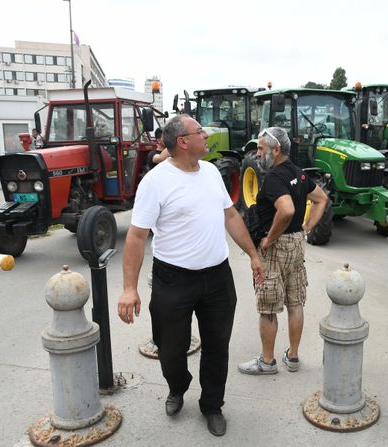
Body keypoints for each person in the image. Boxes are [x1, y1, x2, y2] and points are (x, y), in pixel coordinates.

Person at [117, 114, 264, 437]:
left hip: (217, 278)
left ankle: (212, 405)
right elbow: (136, 237)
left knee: (217, 345)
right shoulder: (155, 182)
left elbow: (230, 216)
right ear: (183, 141)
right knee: (170, 347)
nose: (207, 135)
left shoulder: (211, 172)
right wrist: (129, 288)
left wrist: (253, 254)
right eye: (200, 131)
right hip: (173, 280)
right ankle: (177, 386)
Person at [238, 127, 328, 375]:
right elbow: (321, 199)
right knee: (295, 301)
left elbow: (286, 210)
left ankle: (267, 362)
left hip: (276, 247)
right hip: (297, 243)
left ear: (275, 150)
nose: (257, 153)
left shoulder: (275, 178)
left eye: (260, 148)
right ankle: (293, 356)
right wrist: (306, 227)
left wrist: (269, 240)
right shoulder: (298, 174)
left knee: (268, 306)